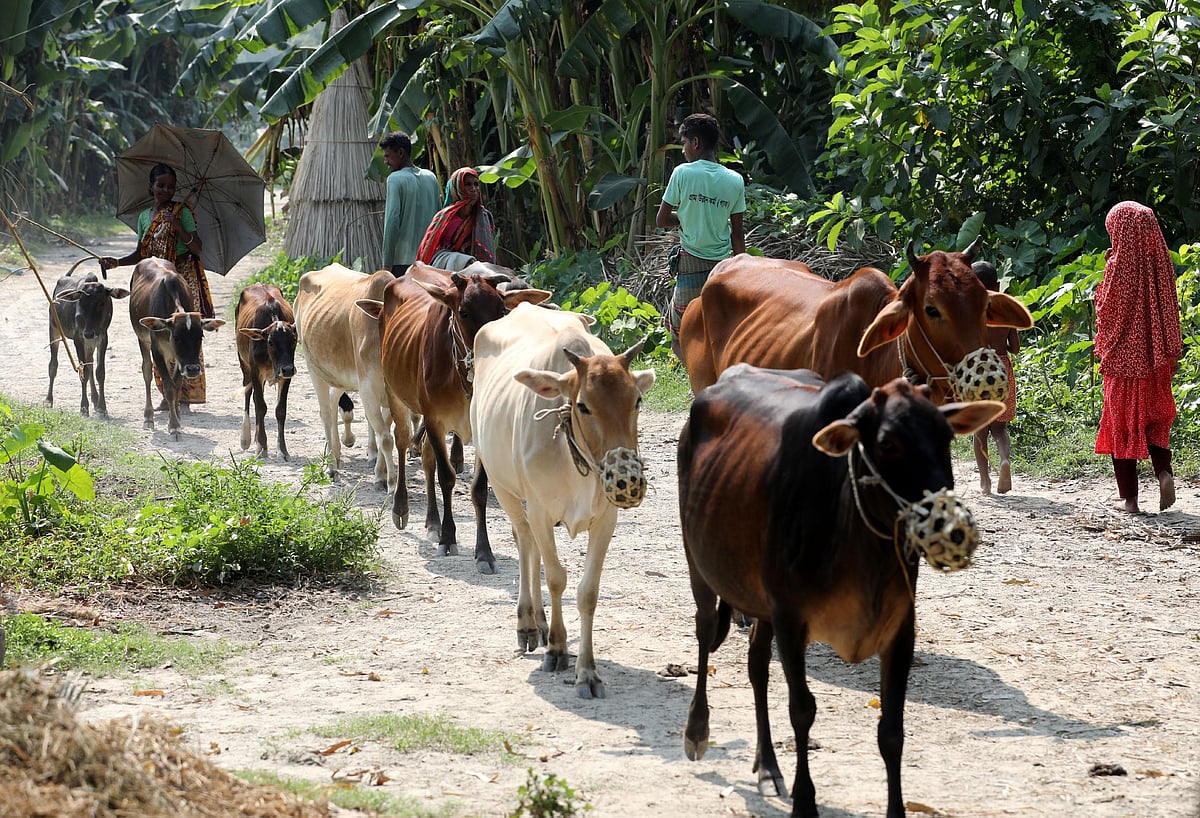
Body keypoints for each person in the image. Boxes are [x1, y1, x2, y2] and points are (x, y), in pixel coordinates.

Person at [1094, 201, 1183, 514]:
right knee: (1155, 423)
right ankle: (1164, 473)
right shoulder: (1160, 265)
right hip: (1156, 360)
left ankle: (1131, 501)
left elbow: (1105, 311)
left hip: (1122, 365)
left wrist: (1103, 281)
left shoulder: (1117, 266)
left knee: (1122, 429)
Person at [102, 162, 214, 406]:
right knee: (158, 336)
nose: (166, 190)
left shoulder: (183, 212)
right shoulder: (145, 217)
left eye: (171, 187)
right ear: (151, 187)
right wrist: (117, 263)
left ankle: (186, 390)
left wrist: (177, 226)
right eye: (160, 185)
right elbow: (142, 253)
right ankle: (167, 391)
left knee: (186, 333)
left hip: (181, 276)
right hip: (154, 280)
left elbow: (196, 247)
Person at [655, 112, 746, 358]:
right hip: (723, 267)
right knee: (719, 329)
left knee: (678, 331)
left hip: (690, 266)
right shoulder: (735, 180)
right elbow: (737, 234)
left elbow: (662, 220)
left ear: (695, 143)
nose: (683, 149)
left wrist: (684, 216)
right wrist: (744, 270)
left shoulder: (682, 173)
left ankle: (697, 380)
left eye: (684, 143)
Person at [971, 260, 1020, 495]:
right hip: (1002, 367)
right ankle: (1003, 460)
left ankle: (985, 483)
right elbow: (1016, 348)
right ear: (998, 284)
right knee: (1000, 428)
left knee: (980, 432)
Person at [379, 132, 441, 276]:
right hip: (430, 260)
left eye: (388, 156)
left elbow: (392, 222)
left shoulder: (395, 179)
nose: (385, 161)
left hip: (403, 262)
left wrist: (387, 263)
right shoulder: (431, 177)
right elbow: (439, 220)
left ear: (400, 153)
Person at [415, 167, 496, 271]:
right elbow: (429, 250)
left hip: (479, 265)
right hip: (445, 262)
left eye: (476, 184)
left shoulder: (485, 216)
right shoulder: (444, 217)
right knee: (467, 262)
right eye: (468, 184)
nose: (473, 189)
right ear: (457, 188)